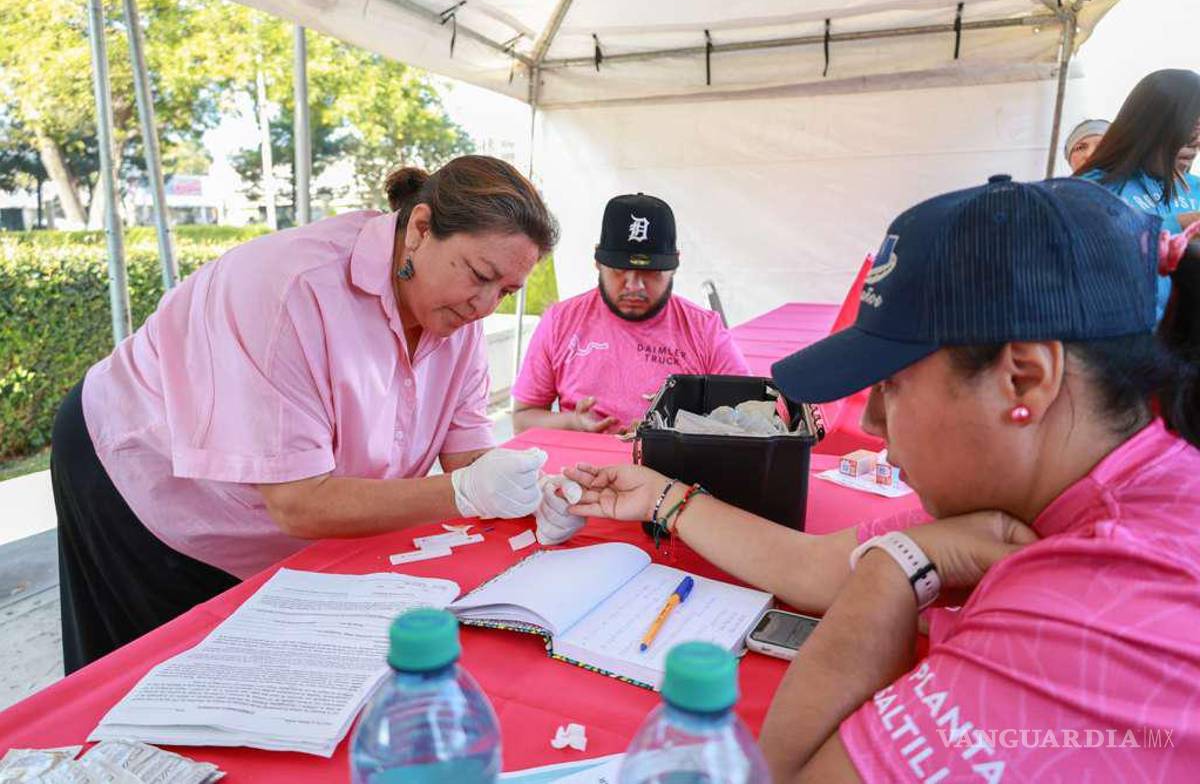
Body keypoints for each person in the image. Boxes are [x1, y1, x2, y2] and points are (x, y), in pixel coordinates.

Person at [562, 176, 1200, 780]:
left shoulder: (1102, 603)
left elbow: (784, 774)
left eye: (891, 385)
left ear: (1024, 379)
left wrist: (896, 565)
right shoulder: (1089, 472)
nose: (868, 421)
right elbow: (815, 568)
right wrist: (663, 495)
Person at [51, 155, 576, 673]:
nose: (484, 306)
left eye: (505, 292)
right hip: (145, 474)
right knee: (149, 676)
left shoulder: (457, 322)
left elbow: (471, 461)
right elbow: (299, 504)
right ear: (419, 228)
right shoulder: (289, 288)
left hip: (283, 515)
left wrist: (530, 492)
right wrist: (465, 493)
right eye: (480, 276)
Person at [511, 193, 750, 435]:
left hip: (670, 470)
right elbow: (522, 420)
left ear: (674, 265)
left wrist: (670, 432)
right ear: (598, 261)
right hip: (580, 468)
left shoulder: (703, 329)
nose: (634, 286)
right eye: (619, 270)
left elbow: (746, 416)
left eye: (651, 272)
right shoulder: (560, 321)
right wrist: (573, 422)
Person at [1077, 69, 1200, 318]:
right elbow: (1093, 247)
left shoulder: (1191, 185)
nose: (1196, 143)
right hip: (1127, 341)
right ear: (1152, 127)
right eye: (1190, 130)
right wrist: (1181, 225)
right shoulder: (1092, 188)